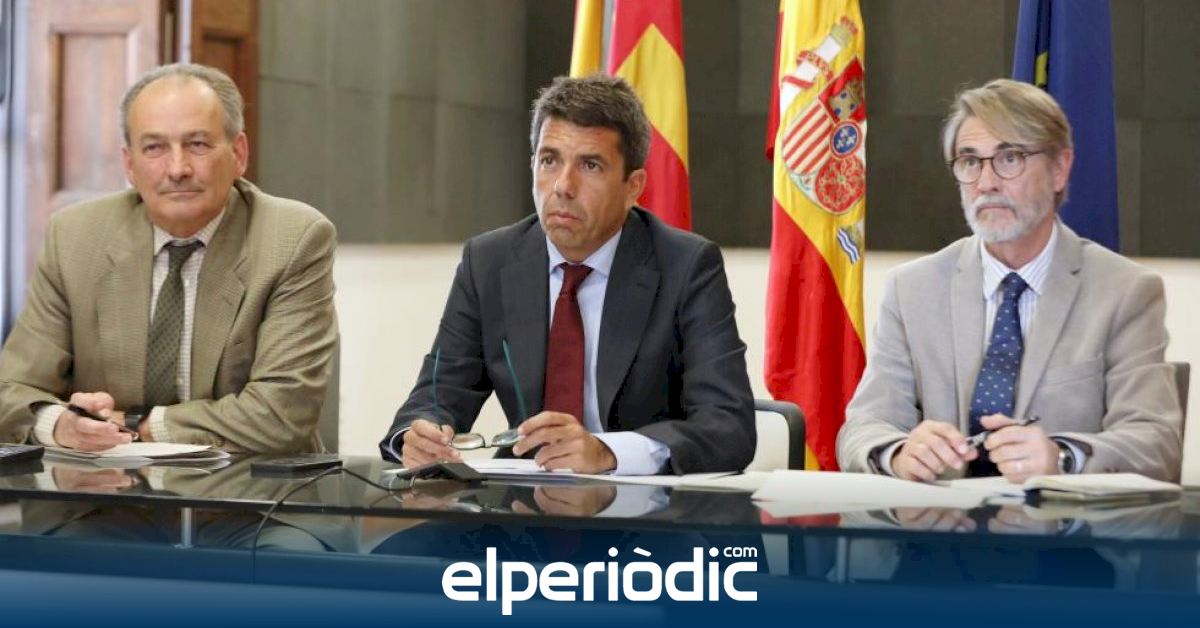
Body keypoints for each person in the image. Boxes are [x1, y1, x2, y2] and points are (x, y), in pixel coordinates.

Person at [380, 74, 754, 475]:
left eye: (590, 165)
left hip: (646, 502)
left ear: (633, 186)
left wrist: (608, 452)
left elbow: (728, 426)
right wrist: (417, 437)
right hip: (524, 500)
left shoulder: (686, 266)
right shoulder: (489, 262)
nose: (563, 186)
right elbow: (437, 395)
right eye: (549, 160)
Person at [837, 78, 1181, 483]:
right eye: (970, 162)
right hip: (938, 521)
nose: (986, 183)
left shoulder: (1125, 292)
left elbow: (1156, 443)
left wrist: (1061, 456)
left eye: (1010, 158)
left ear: (1059, 169)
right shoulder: (912, 289)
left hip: (1062, 522)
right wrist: (898, 453)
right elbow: (863, 428)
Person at [0, 63, 337, 453]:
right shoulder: (75, 237)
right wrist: (62, 425)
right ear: (129, 164)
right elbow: (11, 391)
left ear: (238, 153)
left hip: (250, 486)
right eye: (154, 148)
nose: (177, 169)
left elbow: (281, 416)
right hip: (105, 485)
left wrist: (137, 425)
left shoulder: (292, 239)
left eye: (197, 144)